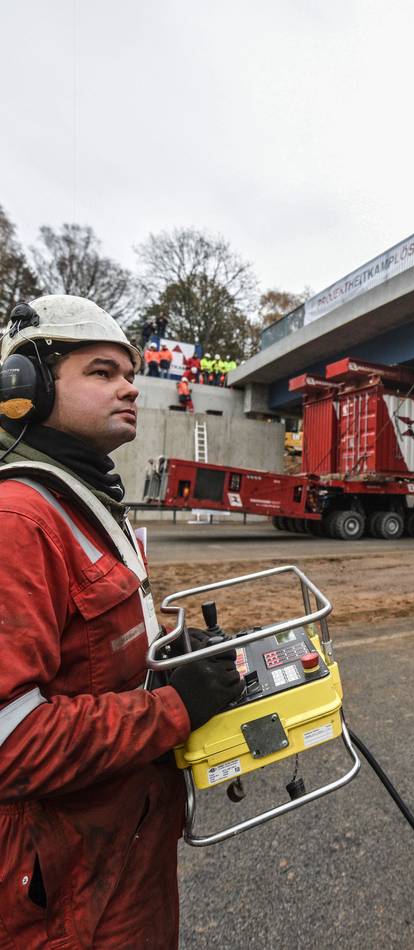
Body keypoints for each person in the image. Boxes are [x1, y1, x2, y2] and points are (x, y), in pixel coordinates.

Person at [0, 295, 244, 947]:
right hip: (59, 891)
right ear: (25, 389)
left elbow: (88, 658)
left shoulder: (85, 503)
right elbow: (9, 743)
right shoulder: (19, 523)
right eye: (102, 372)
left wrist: (169, 661)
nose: (130, 387)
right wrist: (171, 710)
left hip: (126, 847)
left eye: (130, 373)